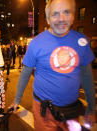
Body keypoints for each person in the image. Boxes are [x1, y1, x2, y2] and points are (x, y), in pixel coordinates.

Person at [10, 0, 96, 130]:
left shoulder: (81, 41)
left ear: (73, 16)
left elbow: (87, 75)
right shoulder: (36, 43)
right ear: (48, 19)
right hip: (44, 112)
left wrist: (91, 107)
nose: (61, 18)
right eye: (55, 14)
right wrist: (17, 99)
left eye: (66, 12)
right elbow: (25, 73)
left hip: (71, 111)